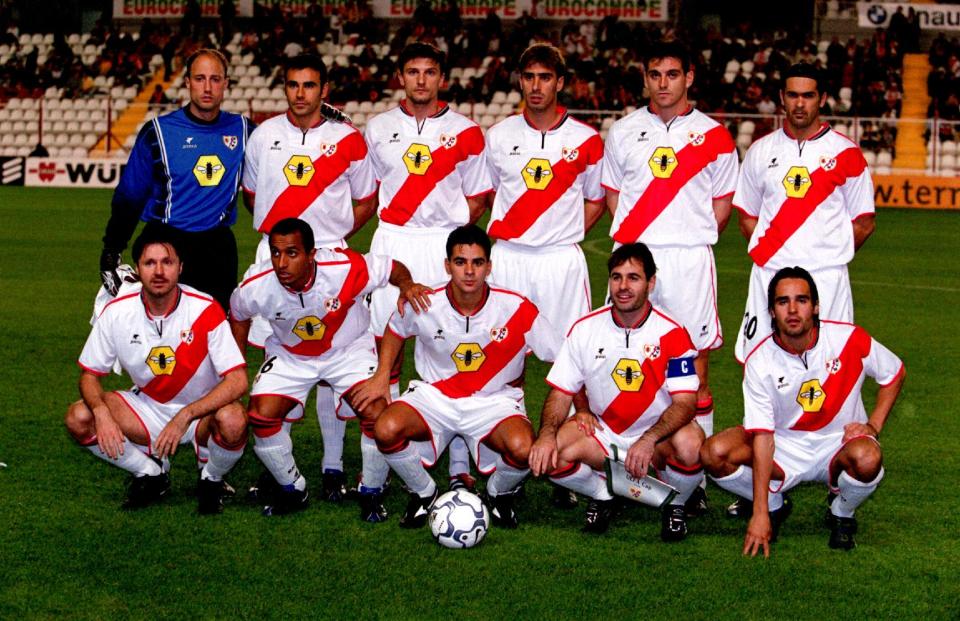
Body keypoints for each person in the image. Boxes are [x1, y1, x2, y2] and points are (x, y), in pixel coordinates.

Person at [352, 225, 561, 529]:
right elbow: (396, 329)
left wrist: (572, 415)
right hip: (435, 398)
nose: (469, 271)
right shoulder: (425, 300)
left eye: (477, 262)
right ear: (447, 265)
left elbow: (563, 359)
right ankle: (424, 493)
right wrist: (382, 375)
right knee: (385, 427)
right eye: (460, 262)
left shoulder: (517, 307)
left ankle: (498, 494)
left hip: (494, 402)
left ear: (489, 266)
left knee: (523, 449)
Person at [602, 42, 738, 503]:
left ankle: (692, 477)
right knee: (624, 358)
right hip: (634, 259)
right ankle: (621, 462)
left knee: (693, 365)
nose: (663, 83)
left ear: (689, 77)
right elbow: (614, 197)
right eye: (655, 74)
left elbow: (721, 208)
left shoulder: (715, 135)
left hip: (687, 260)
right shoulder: (622, 132)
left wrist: (684, 236)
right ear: (645, 77)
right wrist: (638, 249)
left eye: (672, 74)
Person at [241, 53, 378, 501]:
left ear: (324, 90)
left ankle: (332, 465)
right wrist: (284, 247)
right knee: (280, 359)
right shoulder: (264, 136)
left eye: (310, 85)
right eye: (293, 85)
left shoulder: (348, 139)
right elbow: (252, 194)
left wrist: (330, 241)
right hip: (273, 260)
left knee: (330, 359)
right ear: (285, 87)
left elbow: (365, 200)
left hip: (330, 260)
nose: (301, 94)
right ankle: (276, 465)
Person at [229, 218, 430, 519]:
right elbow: (238, 314)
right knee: (261, 414)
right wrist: (237, 368)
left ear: (312, 254)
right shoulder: (257, 284)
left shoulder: (343, 268)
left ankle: (371, 492)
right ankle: (293, 488)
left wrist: (407, 285)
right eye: (275, 252)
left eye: (292, 253)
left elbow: (392, 268)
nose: (281, 263)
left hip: (347, 350)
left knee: (376, 410)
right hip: (290, 355)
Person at [701, 267, 905, 555]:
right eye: (783, 302)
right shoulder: (759, 361)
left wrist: (873, 426)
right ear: (772, 310)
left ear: (816, 306)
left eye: (802, 300)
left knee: (869, 458)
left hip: (839, 442)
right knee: (714, 452)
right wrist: (760, 512)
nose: (793, 310)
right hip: (783, 445)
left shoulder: (848, 339)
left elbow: (893, 373)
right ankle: (774, 505)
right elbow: (762, 437)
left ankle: (841, 513)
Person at [363, 42, 492, 492]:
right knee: (386, 352)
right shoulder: (377, 128)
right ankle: (385, 457)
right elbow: (368, 188)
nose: (421, 80)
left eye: (429, 72)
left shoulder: (468, 132)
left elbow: (478, 196)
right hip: (393, 243)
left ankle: (458, 462)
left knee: (452, 354)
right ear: (401, 76)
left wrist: (450, 234)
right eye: (413, 71)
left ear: (442, 78)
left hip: (442, 246)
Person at [65, 228, 249, 513]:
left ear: (181, 267)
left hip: (200, 412)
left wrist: (185, 415)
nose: (159, 271)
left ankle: (211, 479)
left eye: (167, 262)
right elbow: (89, 375)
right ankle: (150, 473)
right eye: (150, 263)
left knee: (234, 420)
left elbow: (237, 381)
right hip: (149, 408)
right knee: (80, 417)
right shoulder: (117, 312)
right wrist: (102, 414)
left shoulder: (205, 308)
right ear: (137, 269)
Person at [529, 243, 703, 540]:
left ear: (651, 283)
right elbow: (560, 392)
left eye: (633, 278)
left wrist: (649, 439)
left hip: (656, 437)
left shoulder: (672, 333)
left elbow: (686, 404)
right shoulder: (585, 329)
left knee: (690, 444)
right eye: (616, 277)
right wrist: (545, 435)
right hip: (605, 434)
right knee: (551, 452)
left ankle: (675, 505)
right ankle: (605, 494)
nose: (623, 286)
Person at [733, 62, 876, 365]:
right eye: (793, 95)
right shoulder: (760, 150)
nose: (800, 104)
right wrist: (772, 253)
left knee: (832, 367)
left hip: (826, 277)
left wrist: (828, 254)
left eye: (808, 95)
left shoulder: (846, 154)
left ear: (822, 99)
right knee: (760, 363)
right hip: (770, 275)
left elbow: (864, 222)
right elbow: (746, 214)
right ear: (782, 97)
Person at [100, 49, 253, 313]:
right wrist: (113, 248)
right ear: (187, 83)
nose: (207, 87)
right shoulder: (158, 132)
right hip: (166, 242)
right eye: (200, 78)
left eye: (215, 79)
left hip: (217, 247)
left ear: (226, 84)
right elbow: (130, 195)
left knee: (214, 332)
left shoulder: (244, 130)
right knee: (159, 333)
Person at [484, 43, 604, 339]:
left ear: (560, 82)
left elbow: (596, 199)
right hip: (508, 259)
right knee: (503, 353)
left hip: (560, 261)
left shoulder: (586, 139)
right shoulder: (498, 135)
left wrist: (562, 233)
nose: (536, 86)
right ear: (520, 81)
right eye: (529, 77)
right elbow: (491, 192)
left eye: (545, 77)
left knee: (571, 355)